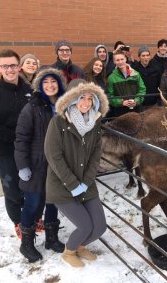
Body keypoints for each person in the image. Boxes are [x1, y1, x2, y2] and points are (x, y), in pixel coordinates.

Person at [44, 79, 109, 268]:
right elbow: (53, 155)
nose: (86, 103)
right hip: (61, 186)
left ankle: (80, 246)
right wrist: (72, 184)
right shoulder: (58, 121)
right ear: (72, 99)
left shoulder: (95, 122)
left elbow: (96, 155)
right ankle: (69, 251)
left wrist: (86, 182)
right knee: (86, 226)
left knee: (99, 227)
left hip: (85, 183)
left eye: (91, 98)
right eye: (82, 97)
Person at [14, 68, 67, 262]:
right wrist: (22, 166)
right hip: (36, 165)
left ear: (59, 84)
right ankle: (26, 243)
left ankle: (51, 238)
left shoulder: (65, 106)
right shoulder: (32, 108)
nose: (50, 85)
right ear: (40, 85)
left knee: (53, 201)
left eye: (54, 81)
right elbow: (21, 139)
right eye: (46, 82)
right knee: (33, 203)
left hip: (57, 165)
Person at [0, 49, 33, 237]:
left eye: (13, 65)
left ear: (19, 67)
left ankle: (34, 217)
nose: (10, 69)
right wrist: (17, 137)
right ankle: (19, 223)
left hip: (30, 150)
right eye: (5, 66)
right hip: (5, 152)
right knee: (13, 190)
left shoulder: (30, 91)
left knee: (32, 187)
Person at [107, 50, 146, 116]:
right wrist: (121, 102)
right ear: (114, 61)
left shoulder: (135, 74)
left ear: (125, 59)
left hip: (136, 111)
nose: (120, 62)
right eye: (117, 60)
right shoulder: (111, 78)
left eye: (122, 59)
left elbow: (142, 90)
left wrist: (136, 101)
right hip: (120, 113)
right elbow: (110, 96)